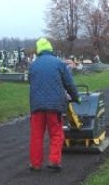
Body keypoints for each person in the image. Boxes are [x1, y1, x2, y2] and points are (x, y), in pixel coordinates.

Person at [28, 38, 80, 171]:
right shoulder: (59, 63)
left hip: (36, 107)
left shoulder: (33, 65)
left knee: (36, 135)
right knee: (56, 133)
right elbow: (69, 83)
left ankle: (35, 164)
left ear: (38, 50)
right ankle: (54, 160)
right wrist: (76, 97)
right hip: (54, 106)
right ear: (51, 49)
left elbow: (31, 81)